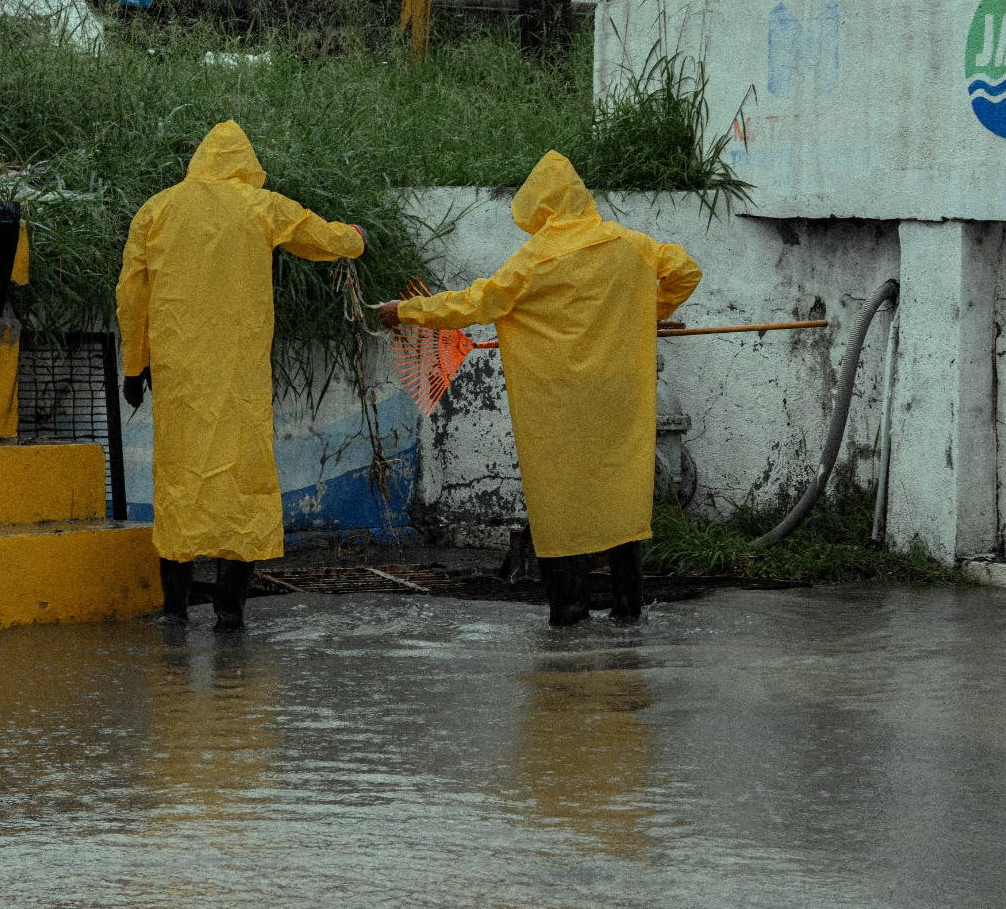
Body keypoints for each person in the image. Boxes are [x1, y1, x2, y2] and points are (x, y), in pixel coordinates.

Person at [376, 151, 700, 626]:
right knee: (620, 492)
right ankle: (628, 610)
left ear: (541, 207)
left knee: (561, 504)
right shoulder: (632, 245)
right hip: (619, 399)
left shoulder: (534, 261)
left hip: (556, 407)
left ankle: (570, 616)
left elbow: (474, 303)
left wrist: (403, 311)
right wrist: (650, 312)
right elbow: (686, 270)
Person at [116, 121, 367, 630]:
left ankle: (175, 611)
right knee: (243, 484)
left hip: (179, 380)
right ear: (245, 165)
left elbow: (131, 295)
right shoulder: (261, 206)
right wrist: (355, 240)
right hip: (239, 379)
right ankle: (230, 613)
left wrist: (134, 366)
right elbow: (320, 236)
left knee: (179, 485)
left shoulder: (156, 210)